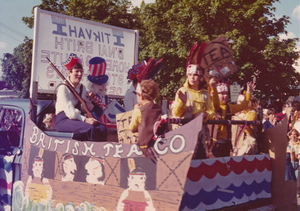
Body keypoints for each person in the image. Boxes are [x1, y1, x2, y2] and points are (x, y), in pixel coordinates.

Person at [55, 53, 107, 142]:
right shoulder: (62, 88)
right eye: (76, 71)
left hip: (77, 118)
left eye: (81, 71)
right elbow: (71, 113)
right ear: (69, 72)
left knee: (102, 128)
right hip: (64, 120)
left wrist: (90, 101)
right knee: (89, 128)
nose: (79, 74)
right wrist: (85, 120)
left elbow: (84, 107)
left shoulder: (82, 88)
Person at [210, 79, 255, 157]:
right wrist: (213, 88)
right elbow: (216, 103)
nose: (225, 96)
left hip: (226, 143)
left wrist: (248, 93)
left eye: (226, 93)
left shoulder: (229, 107)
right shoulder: (212, 106)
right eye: (221, 93)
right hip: (215, 143)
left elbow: (243, 106)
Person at [129, 79, 162, 160]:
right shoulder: (159, 109)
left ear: (141, 96)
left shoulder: (139, 110)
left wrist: (135, 110)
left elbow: (132, 128)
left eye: (137, 94)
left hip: (143, 148)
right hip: (158, 147)